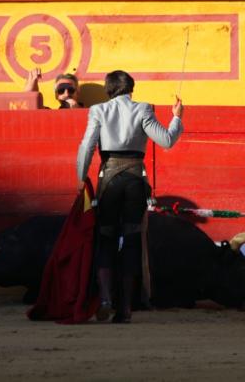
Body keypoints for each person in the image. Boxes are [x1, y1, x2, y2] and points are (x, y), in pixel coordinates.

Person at [76, 70, 183, 323]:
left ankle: (104, 299)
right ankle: (125, 309)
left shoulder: (99, 110)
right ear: (131, 89)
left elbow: (87, 146)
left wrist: (81, 179)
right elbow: (166, 141)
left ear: (108, 89)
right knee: (132, 239)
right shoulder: (143, 109)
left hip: (109, 179)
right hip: (135, 179)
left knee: (106, 238)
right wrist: (176, 117)